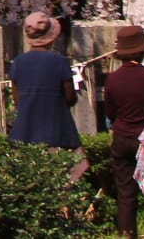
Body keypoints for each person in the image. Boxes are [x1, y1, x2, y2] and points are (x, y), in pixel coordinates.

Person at [101, 25, 144, 238]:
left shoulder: (112, 79)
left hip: (122, 137)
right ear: (143, 52)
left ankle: (126, 233)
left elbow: (110, 112)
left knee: (125, 192)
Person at [8, 12, 87, 183]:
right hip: (58, 129)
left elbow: (17, 100)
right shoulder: (59, 61)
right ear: (51, 37)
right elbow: (70, 97)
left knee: (29, 181)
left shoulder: (19, 62)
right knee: (64, 179)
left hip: (26, 130)